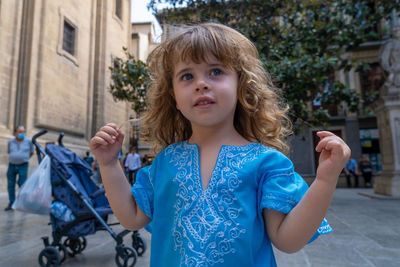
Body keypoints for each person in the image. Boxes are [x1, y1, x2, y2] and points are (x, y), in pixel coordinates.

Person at [90, 23, 351, 266]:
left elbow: (288, 241)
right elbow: (132, 217)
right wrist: (109, 164)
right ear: (173, 95)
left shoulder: (267, 163)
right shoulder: (165, 162)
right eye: (186, 76)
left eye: (215, 71)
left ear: (241, 84)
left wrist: (325, 180)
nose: (201, 84)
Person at [5, 125, 34, 211]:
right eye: (20, 132)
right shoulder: (10, 142)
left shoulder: (29, 141)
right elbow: (9, 152)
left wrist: (24, 158)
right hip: (12, 165)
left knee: (22, 184)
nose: (22, 134)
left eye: (23, 132)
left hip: (23, 165)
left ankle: (22, 203)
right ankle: (12, 203)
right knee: (10, 185)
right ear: (15, 133)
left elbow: (32, 152)